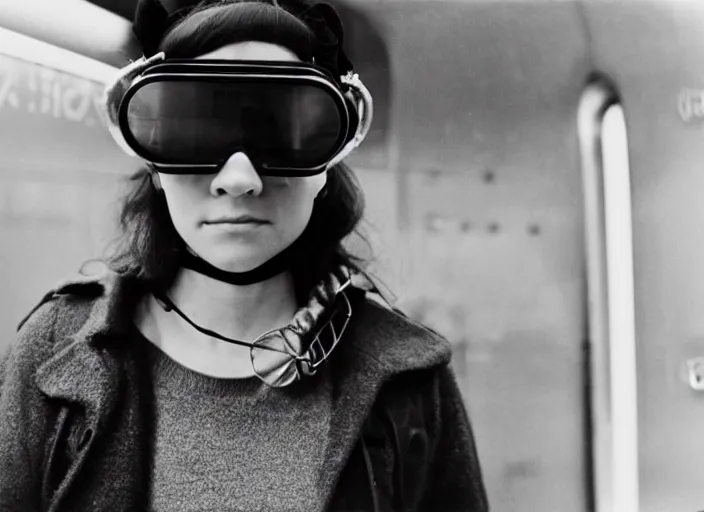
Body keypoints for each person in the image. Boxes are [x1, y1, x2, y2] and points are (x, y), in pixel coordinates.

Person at [0, 0, 489, 510]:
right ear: (153, 162)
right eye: (194, 129)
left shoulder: (409, 382)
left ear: (328, 163)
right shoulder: (53, 351)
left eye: (281, 133)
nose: (239, 180)